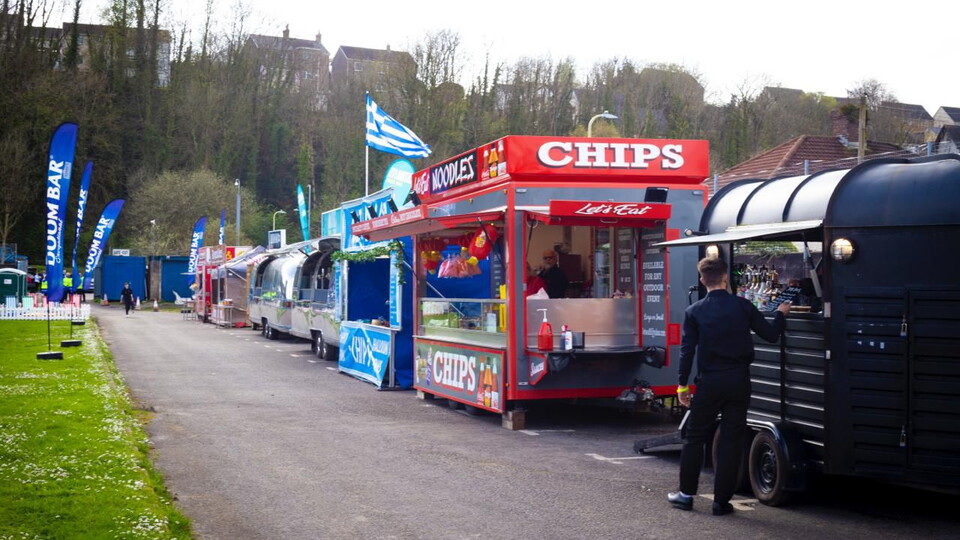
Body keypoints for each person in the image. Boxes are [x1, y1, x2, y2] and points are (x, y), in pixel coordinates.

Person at [668, 257, 790, 515]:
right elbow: (770, 335)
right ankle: (721, 502)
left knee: (694, 437)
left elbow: (687, 352)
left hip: (709, 382)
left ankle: (686, 495)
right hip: (738, 380)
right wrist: (780, 315)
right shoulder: (743, 306)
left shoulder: (694, 312)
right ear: (726, 278)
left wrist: (682, 386)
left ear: (702, 280)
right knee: (731, 439)